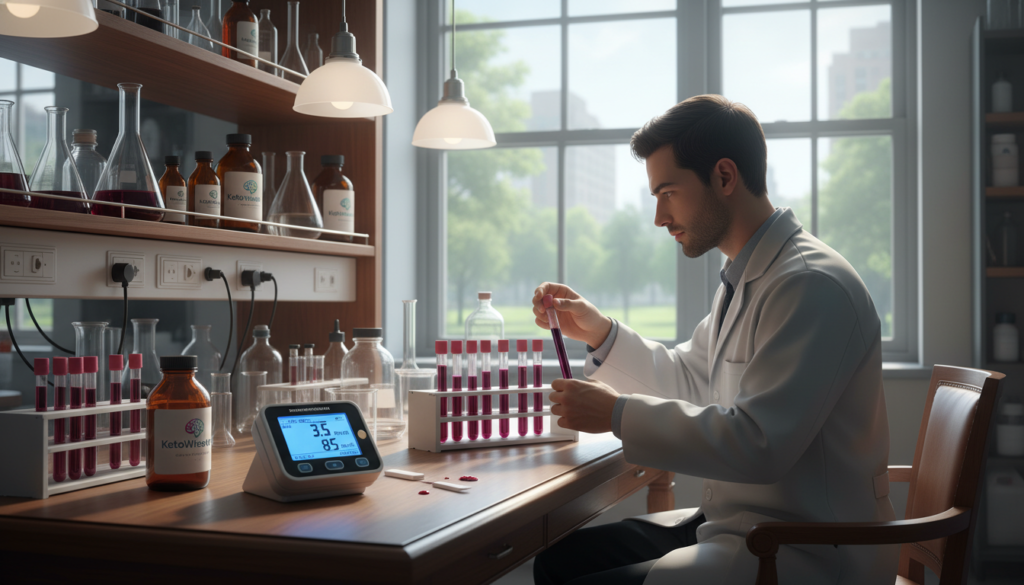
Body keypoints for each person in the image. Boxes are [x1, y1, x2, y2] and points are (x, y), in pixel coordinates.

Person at [531, 95, 899, 585]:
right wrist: (598, 331)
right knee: (558, 561)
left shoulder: (810, 285)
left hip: (800, 550)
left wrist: (616, 414)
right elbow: (691, 377)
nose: (660, 217)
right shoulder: (746, 276)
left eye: (668, 193)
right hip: (740, 527)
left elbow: (758, 444)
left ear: (724, 177)